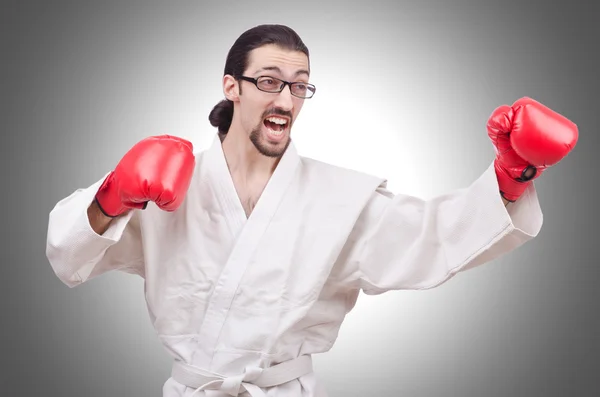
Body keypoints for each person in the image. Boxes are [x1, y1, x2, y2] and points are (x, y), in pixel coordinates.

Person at [45, 24, 578, 397]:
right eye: (271, 81)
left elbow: (433, 237)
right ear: (231, 86)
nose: (286, 100)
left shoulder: (337, 199)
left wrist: (512, 174)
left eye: (300, 86)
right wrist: (113, 194)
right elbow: (69, 255)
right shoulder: (167, 181)